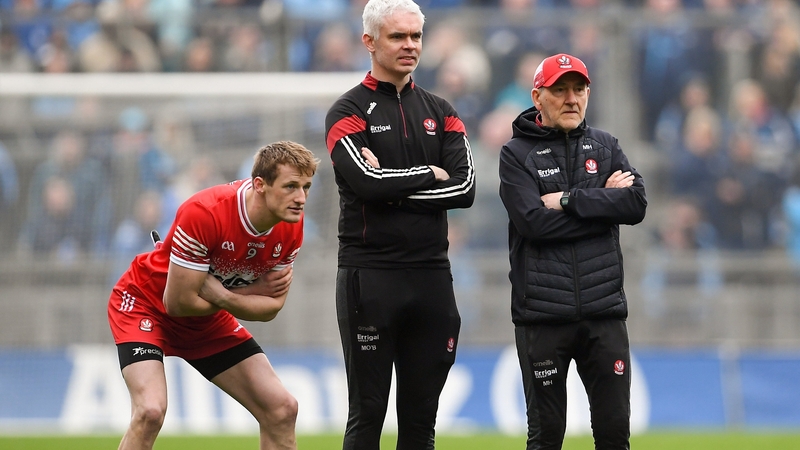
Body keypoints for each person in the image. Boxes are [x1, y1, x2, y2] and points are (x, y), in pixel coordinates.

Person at [323, 0, 476, 448]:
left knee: (420, 424)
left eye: (416, 36)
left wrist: (391, 186)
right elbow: (365, 183)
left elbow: (464, 189)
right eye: (398, 36)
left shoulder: (443, 110)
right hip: (370, 277)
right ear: (369, 41)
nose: (410, 45)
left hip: (431, 276)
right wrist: (429, 173)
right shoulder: (346, 111)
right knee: (367, 416)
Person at [107, 141, 320, 450]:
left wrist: (228, 295)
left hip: (207, 315)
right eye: (290, 186)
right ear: (259, 185)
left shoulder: (291, 227)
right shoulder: (206, 212)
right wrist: (246, 295)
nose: (300, 199)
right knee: (151, 411)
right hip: (145, 306)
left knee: (282, 409)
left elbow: (271, 307)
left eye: (306, 187)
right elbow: (177, 304)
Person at [498, 53, 647, 449]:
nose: (571, 98)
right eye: (559, 90)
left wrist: (567, 199)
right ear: (537, 96)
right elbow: (533, 223)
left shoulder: (606, 145)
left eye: (578, 89)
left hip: (604, 315)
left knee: (615, 433)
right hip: (543, 318)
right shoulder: (515, 154)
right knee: (547, 436)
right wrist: (602, 203)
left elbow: (635, 205)